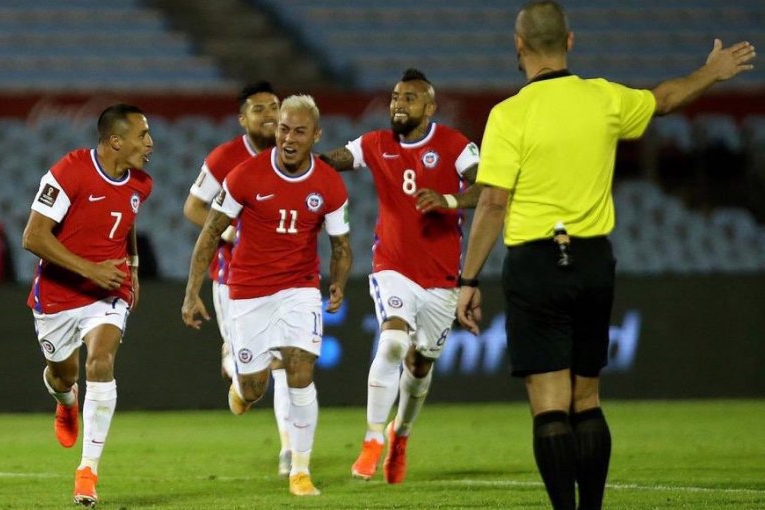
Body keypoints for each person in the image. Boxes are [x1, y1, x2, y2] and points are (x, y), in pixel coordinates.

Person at [454, 3, 756, 509]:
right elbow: (663, 100)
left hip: (535, 263)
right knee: (587, 399)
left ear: (519, 45)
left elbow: (492, 201)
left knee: (549, 406)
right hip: (594, 261)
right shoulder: (603, 97)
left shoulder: (508, 115)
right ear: (569, 42)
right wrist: (713, 71)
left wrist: (467, 279)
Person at [182, 95, 351, 497]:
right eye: (283, 129)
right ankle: (241, 390)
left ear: (316, 136)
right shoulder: (244, 175)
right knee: (257, 386)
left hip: (300, 288)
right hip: (249, 291)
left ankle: (300, 469)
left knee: (300, 369)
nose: (289, 138)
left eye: (299, 131)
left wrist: (339, 282)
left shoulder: (329, 183)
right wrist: (192, 292)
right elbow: (209, 232)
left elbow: (341, 245)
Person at [320, 68, 481, 484]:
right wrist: (306, 160)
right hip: (392, 266)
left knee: (421, 363)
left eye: (408, 98)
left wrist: (449, 199)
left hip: (442, 278)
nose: (398, 104)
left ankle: (401, 435)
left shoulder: (454, 145)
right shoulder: (376, 144)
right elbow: (336, 160)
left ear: (429, 107)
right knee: (392, 340)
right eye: (394, 97)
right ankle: (373, 439)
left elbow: (488, 187)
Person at [22, 104, 154, 507]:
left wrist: (129, 267)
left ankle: (87, 471)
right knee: (63, 375)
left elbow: (125, 222)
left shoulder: (142, 184)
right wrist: (89, 270)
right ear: (116, 140)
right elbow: (33, 237)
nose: (149, 143)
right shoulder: (69, 172)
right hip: (59, 294)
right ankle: (66, 401)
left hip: (108, 292)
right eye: (142, 135)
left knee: (101, 361)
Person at [182, 81, 295, 476]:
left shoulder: (293, 156)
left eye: (274, 106)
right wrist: (229, 232)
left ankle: (289, 452)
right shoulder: (225, 157)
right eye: (258, 108)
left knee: (282, 361)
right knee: (251, 383)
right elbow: (193, 207)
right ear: (242, 118)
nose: (268, 114)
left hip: (283, 277)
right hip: (234, 279)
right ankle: (235, 367)